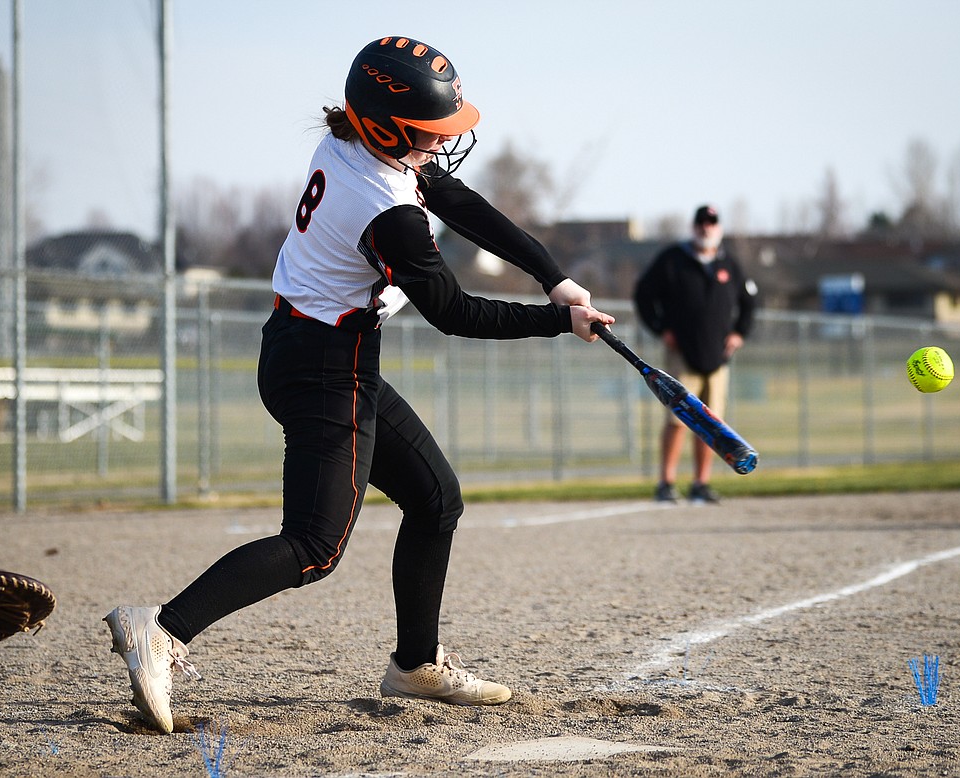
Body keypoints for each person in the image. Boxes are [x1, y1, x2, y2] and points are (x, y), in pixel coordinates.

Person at [104, 36, 614, 734]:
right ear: (386, 126)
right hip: (323, 365)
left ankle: (415, 664)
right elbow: (455, 312)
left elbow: (462, 203)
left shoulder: (357, 144)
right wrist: (558, 323)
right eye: (430, 135)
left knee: (436, 500)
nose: (440, 147)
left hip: (314, 349)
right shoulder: (387, 207)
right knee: (314, 546)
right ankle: (161, 626)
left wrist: (552, 273)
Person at [634, 205, 757, 505]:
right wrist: (661, 328)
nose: (706, 228)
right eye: (701, 223)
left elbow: (750, 301)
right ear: (694, 226)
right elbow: (642, 294)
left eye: (712, 223)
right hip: (682, 354)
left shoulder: (729, 263)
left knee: (712, 424)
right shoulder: (673, 260)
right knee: (677, 420)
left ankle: (700, 484)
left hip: (717, 357)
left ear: (719, 227)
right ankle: (666, 483)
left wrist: (739, 333)